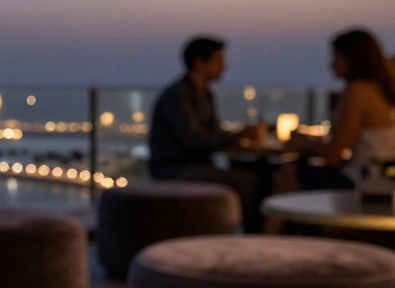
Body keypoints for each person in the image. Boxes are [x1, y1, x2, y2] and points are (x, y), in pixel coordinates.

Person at [149, 35, 264, 230]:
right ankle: (247, 236)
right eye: (219, 61)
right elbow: (194, 140)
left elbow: (212, 133)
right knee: (248, 181)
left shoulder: (205, 94)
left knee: (258, 173)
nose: (224, 67)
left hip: (194, 166)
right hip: (175, 170)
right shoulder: (178, 96)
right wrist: (238, 135)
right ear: (199, 63)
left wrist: (237, 137)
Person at [273, 28, 395, 196]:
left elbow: (333, 156)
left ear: (352, 58)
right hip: (383, 179)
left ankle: (271, 222)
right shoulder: (380, 90)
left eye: (336, 57)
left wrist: (306, 143)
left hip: (364, 181)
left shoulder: (357, 91)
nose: (331, 64)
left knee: (289, 172)